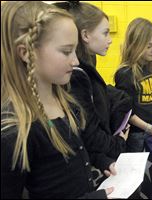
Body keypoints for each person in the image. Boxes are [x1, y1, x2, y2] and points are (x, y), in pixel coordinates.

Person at [1, 1, 113, 198]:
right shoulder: (16, 131)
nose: (76, 61)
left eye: (75, 50)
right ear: (26, 53)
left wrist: (101, 161)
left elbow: (76, 152)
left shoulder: (66, 102)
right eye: (66, 51)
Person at [53, 1, 132, 186]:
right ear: (86, 35)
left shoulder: (87, 64)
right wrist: (117, 143)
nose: (110, 38)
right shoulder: (76, 74)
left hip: (93, 157)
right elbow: (87, 131)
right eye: (105, 33)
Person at [114, 18, 152, 153]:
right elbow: (127, 113)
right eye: (149, 46)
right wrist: (150, 128)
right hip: (137, 134)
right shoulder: (125, 74)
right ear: (135, 45)